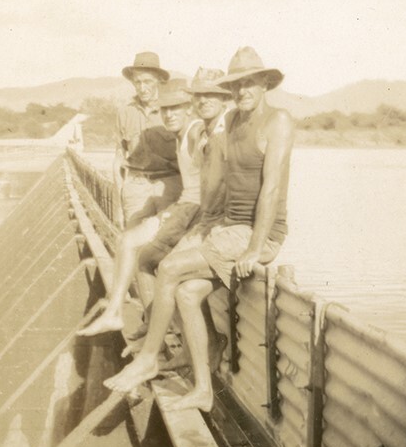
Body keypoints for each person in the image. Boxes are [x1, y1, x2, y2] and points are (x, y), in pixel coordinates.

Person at [104, 48, 294, 413]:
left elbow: (270, 189)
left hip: (260, 232)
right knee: (189, 293)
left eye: (249, 83)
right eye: (235, 85)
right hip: (229, 227)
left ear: (266, 82)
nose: (242, 91)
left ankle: (147, 359)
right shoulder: (233, 122)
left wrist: (255, 248)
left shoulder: (278, 121)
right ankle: (203, 388)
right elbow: (217, 187)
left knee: (169, 268)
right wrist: (207, 227)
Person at [79, 68, 232, 339]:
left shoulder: (196, 131)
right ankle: (160, 331)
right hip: (187, 209)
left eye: (176, 109)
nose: (169, 114)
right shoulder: (183, 134)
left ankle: (119, 316)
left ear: (189, 109)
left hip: (192, 212)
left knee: (132, 245)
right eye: (165, 110)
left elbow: (214, 149)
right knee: (144, 256)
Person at [114, 51, 181, 227]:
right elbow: (118, 159)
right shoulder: (125, 112)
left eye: (148, 82)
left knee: (167, 239)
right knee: (131, 239)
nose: (142, 88)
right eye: (138, 82)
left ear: (159, 80)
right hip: (135, 187)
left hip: (168, 186)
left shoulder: (171, 109)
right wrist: (117, 206)